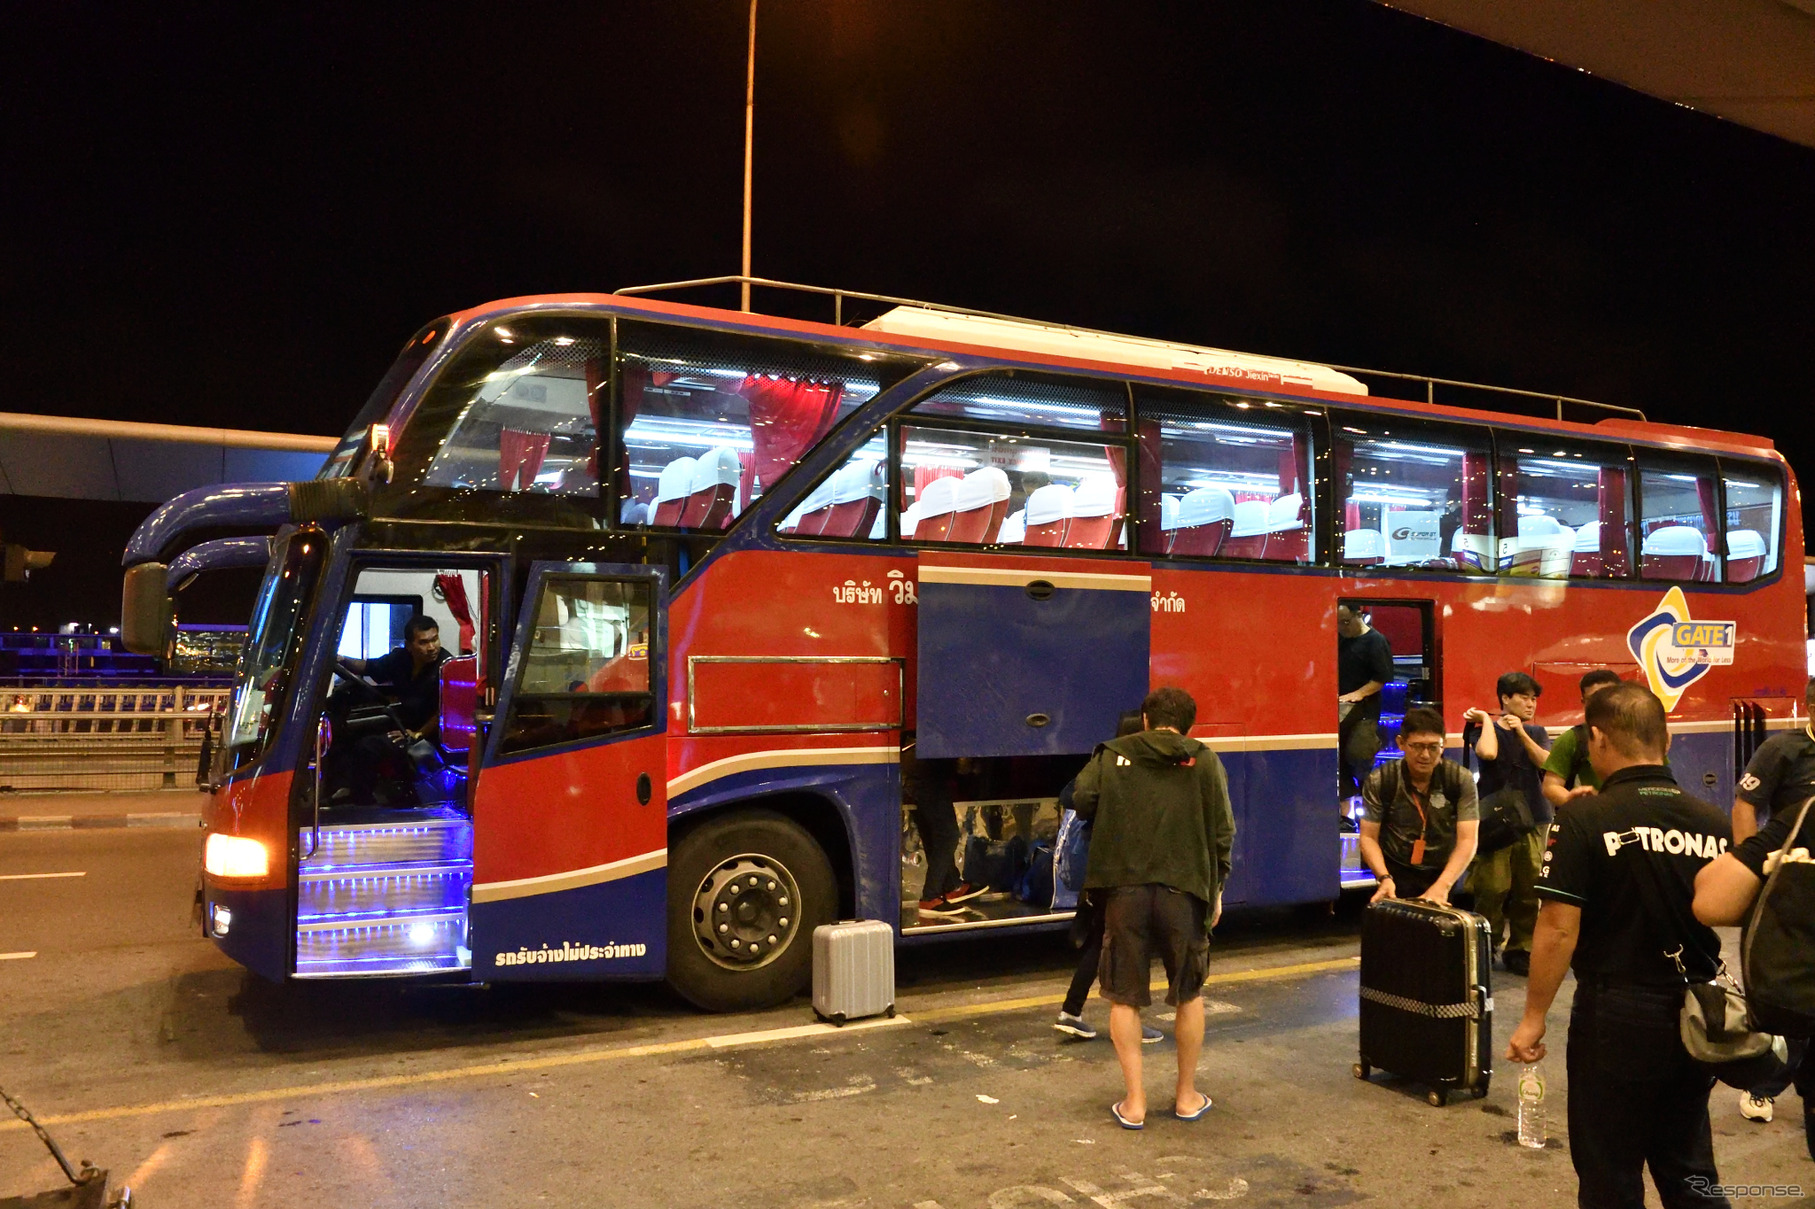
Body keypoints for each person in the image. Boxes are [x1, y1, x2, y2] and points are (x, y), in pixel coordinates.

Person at [1509, 682, 1733, 1208]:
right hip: (1695, 1015)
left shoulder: (1585, 818)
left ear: (1598, 740)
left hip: (1615, 1017)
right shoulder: (1712, 822)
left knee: (1609, 1171)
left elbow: (1558, 928)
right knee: (1688, 1166)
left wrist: (1533, 1016)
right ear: (1668, 741)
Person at [1071, 686, 1234, 1129]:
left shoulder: (1112, 754)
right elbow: (1223, 832)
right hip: (1185, 889)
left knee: (1124, 996)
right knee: (1189, 992)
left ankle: (1135, 1103)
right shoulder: (1204, 758)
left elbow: (1081, 799)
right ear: (1188, 724)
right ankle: (1185, 1096)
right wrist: (1215, 889)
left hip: (1124, 889)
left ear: (1145, 719)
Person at [1705, 676, 1815, 1130]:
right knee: (1799, 997)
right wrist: (1750, 876)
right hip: (1792, 897)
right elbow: (1744, 806)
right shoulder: (1784, 750)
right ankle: (1764, 1082)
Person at [1055, 710, 1162, 1045]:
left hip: (1098, 872)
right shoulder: (1142, 771)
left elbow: (1071, 796)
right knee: (1133, 945)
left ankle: (1071, 1011)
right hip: (1129, 874)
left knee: (1098, 939)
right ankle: (1129, 1021)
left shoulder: (1102, 761)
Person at [1462, 672, 1552, 975]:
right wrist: (1488, 721)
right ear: (1505, 699)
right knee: (1493, 887)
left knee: (1529, 888)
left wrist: (1523, 734)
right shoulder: (1483, 731)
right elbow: (1487, 753)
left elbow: (1546, 764)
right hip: (1495, 821)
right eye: (1524, 697)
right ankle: (1487, 946)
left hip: (1533, 818)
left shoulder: (1537, 732)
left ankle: (1521, 949)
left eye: (1534, 698)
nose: (1530, 703)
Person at [1357, 706, 1479, 903]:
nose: (1425, 755)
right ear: (1401, 743)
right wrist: (1384, 878)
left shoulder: (1459, 779)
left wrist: (1443, 886)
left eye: (1433, 747)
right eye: (1417, 746)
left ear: (1444, 745)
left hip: (1443, 870)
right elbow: (1368, 837)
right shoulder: (1381, 780)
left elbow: (1467, 839)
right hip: (1395, 869)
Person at [333, 615, 451, 802]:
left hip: (428, 737)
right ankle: (343, 788)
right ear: (409, 645)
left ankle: (362, 802)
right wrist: (339, 659)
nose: (431, 647)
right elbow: (368, 667)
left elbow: (446, 711)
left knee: (368, 747)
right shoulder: (401, 659)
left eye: (434, 639)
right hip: (402, 724)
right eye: (423, 642)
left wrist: (417, 734)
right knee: (344, 732)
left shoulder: (447, 666)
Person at [901, 747, 985, 918]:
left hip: (915, 771)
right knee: (948, 836)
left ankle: (952, 885)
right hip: (927, 775)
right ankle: (930, 897)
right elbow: (962, 766)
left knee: (933, 835)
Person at [1540, 668, 1625, 812]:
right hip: (1592, 822)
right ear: (1583, 702)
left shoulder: (1640, 733)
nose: (1601, 704)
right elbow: (1551, 786)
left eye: (1608, 696)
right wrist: (1582, 805)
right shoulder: (1572, 739)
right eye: (1593, 699)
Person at [1337, 604, 1394, 799]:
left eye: (1345, 622)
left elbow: (1382, 677)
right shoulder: (1340, 640)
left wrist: (1359, 693)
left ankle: (1371, 800)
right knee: (1339, 759)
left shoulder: (1376, 641)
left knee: (1359, 754)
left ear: (1358, 615)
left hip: (1365, 712)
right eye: (1337, 623)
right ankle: (1345, 815)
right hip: (1342, 708)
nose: (1342, 628)